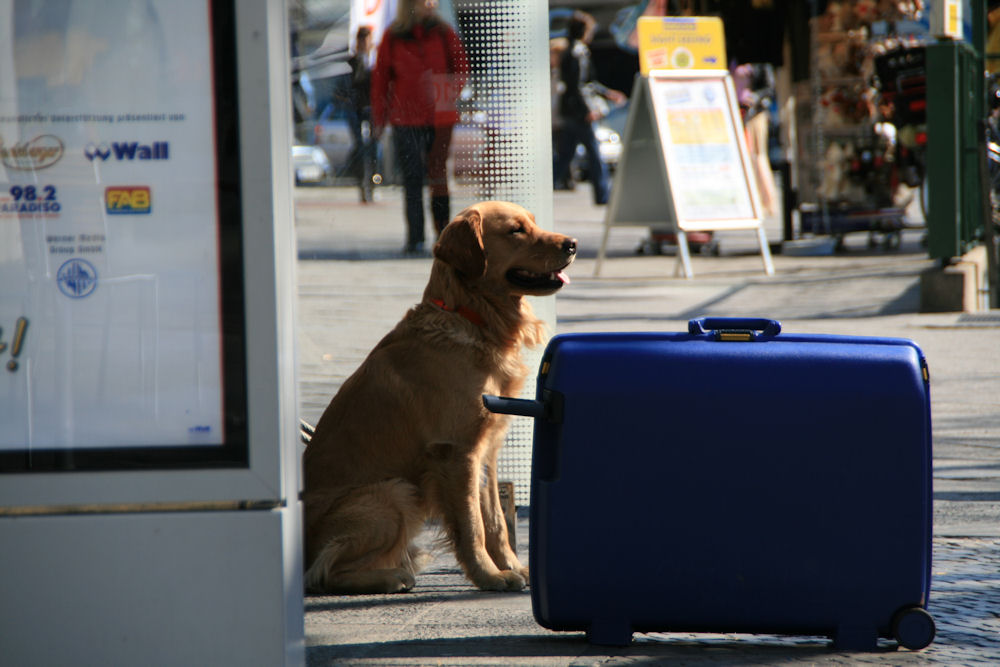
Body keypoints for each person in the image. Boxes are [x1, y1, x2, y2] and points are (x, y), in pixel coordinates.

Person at [372, 0, 468, 254]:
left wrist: (445, 95)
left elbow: (461, 68)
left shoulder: (443, 32)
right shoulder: (393, 36)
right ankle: (415, 238)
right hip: (406, 118)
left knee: (438, 177)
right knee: (412, 179)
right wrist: (379, 119)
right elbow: (381, 79)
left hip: (440, 118)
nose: (431, 4)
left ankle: (444, 237)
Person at [552, 10, 624, 205]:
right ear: (584, 31)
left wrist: (607, 93)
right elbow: (580, 86)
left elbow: (584, 83)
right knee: (594, 154)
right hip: (579, 114)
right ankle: (603, 195)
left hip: (570, 112)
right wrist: (587, 110)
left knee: (565, 155)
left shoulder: (570, 51)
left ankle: (547, 183)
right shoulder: (579, 52)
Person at [347, 26, 376, 202]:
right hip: (356, 110)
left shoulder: (374, 62)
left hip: (371, 109)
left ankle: (371, 184)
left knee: (372, 149)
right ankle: (361, 184)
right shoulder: (351, 62)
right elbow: (347, 86)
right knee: (359, 147)